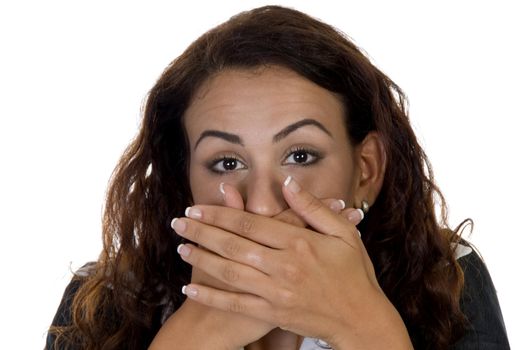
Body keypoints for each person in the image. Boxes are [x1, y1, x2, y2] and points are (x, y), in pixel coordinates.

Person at [45, 5, 510, 350]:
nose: (265, 205)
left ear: (365, 171)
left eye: (301, 155)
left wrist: (364, 325)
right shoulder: (101, 301)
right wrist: (196, 334)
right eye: (227, 163)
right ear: (183, 177)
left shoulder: (449, 277)